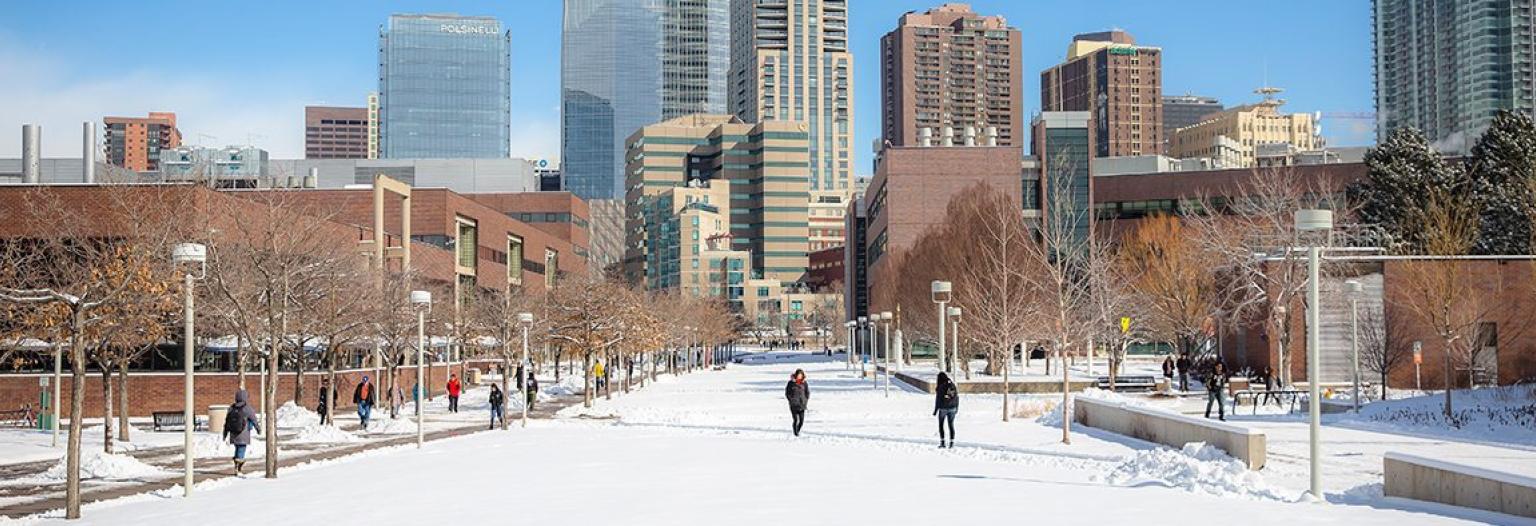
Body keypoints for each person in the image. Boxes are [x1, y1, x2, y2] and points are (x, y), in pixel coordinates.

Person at [223, 388, 260, 474]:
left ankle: (237, 464)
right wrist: (258, 429)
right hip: (243, 433)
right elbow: (254, 420)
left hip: (233, 432)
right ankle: (238, 467)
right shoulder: (247, 408)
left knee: (237, 448)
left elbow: (227, 421)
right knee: (242, 448)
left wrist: (225, 433)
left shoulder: (232, 408)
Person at [934, 372, 960, 448]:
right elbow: (956, 397)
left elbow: (938, 400)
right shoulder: (952, 385)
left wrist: (936, 410)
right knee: (951, 425)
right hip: (953, 408)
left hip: (943, 408)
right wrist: (956, 408)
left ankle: (943, 443)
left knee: (941, 425)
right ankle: (952, 443)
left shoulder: (941, 386)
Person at [784, 369, 810, 437]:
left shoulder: (804, 383)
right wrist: (791, 399)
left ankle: (797, 431)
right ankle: (795, 434)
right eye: (798, 375)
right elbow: (787, 393)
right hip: (794, 405)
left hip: (802, 404)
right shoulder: (791, 383)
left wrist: (805, 400)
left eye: (801, 375)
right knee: (796, 420)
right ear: (796, 375)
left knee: (801, 421)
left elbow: (807, 392)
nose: (799, 376)